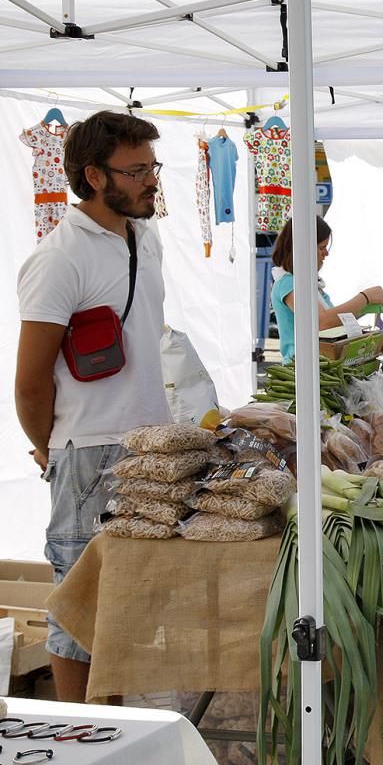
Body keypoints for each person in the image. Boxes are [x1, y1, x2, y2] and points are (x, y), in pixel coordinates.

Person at [15, 111, 172, 702]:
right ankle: (82, 735)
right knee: (79, 607)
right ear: (93, 175)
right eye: (135, 171)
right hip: (87, 451)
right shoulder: (59, 258)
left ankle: (116, 725)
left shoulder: (147, 236)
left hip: (150, 447)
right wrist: (46, 447)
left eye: (151, 167)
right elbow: (30, 382)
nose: (150, 180)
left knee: (127, 602)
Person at [270, 216, 383, 363]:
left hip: (321, 365)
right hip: (302, 371)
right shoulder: (288, 284)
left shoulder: (309, 284)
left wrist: (367, 307)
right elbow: (321, 322)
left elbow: (335, 322)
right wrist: (364, 298)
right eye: (321, 248)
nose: (326, 253)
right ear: (304, 249)